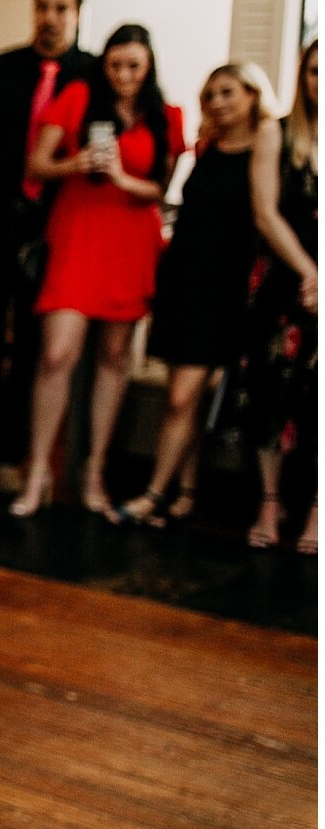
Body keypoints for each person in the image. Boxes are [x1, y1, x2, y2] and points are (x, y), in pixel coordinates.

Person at [11, 24, 181, 520]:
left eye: (134, 66)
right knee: (57, 353)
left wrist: (125, 178)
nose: (124, 75)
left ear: (148, 68)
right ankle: (38, 470)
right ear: (102, 64)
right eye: (115, 65)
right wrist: (77, 162)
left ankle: (94, 474)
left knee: (114, 358)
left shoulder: (162, 114)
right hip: (79, 231)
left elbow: (161, 188)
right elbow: (36, 165)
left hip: (131, 239)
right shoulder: (78, 96)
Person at [0, 0, 101, 497]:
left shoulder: (94, 76)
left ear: (77, 14)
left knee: (36, 349)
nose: (50, 17)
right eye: (42, 7)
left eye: (61, 8)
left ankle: (17, 457)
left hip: (58, 229)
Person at [117, 65, 279, 527]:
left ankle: (152, 492)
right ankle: (185, 493)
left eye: (228, 92)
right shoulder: (207, 145)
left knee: (182, 398)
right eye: (210, 94)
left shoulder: (264, 145)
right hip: (183, 279)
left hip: (222, 286)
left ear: (252, 94)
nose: (218, 102)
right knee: (183, 396)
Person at [238, 39, 318, 553]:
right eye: (315, 71)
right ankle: (269, 501)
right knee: (271, 391)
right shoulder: (277, 132)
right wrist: (312, 272)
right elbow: (266, 213)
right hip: (284, 281)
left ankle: (317, 510)